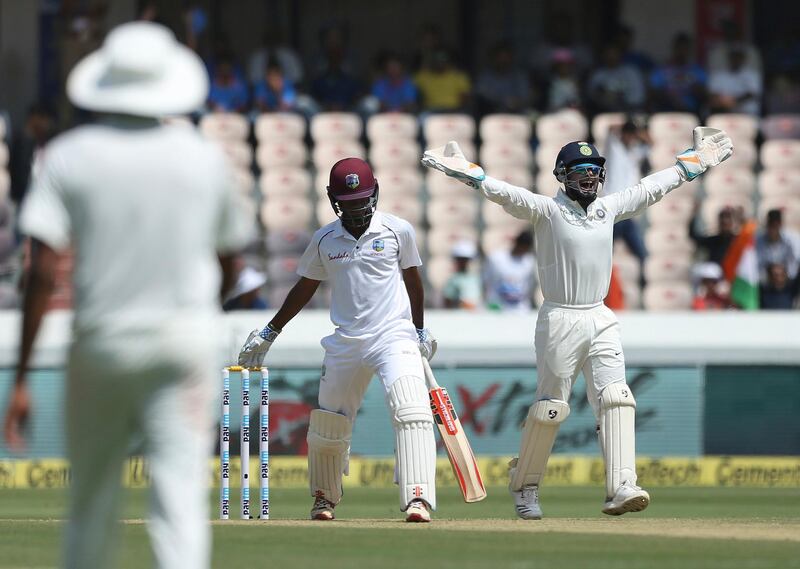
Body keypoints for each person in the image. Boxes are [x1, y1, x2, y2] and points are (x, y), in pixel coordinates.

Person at [2, 22, 252, 569]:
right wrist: (195, 310)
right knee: (179, 501)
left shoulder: (68, 155)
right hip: (183, 345)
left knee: (91, 502)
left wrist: (21, 377)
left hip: (102, 341)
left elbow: (41, 272)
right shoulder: (202, 158)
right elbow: (232, 263)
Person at [422, 127, 733, 519]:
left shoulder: (607, 208)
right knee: (551, 409)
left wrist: (694, 162)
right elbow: (504, 192)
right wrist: (467, 171)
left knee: (617, 398)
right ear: (562, 175)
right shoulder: (547, 210)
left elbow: (652, 188)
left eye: (594, 169)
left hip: (600, 315)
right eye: (580, 169)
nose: (588, 176)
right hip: (560, 318)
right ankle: (525, 485)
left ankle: (622, 485)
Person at [237, 157, 438, 523]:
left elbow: (413, 281)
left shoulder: (398, 230)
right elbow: (305, 287)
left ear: (375, 193)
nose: (357, 209)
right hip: (346, 341)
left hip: (393, 335)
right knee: (329, 423)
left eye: (362, 200)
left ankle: (418, 498)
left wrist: (420, 329)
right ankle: (324, 498)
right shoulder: (325, 239)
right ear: (333, 199)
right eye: (348, 203)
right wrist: (270, 331)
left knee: (412, 409)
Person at [483, 231, 537, 311]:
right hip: (497, 309)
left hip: (520, 311)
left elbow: (530, 287)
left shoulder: (530, 262)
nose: (522, 249)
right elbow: (485, 282)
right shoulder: (496, 258)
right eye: (521, 246)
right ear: (516, 242)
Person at [755, 209, 800, 282]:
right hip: (765, 284)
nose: (773, 229)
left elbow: (794, 265)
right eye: (771, 225)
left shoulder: (792, 240)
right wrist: (770, 272)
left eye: (775, 225)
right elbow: (757, 266)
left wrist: (783, 273)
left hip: (788, 283)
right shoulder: (758, 240)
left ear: (780, 225)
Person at [442, 240, 482, 309]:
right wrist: (462, 304)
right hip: (459, 317)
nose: (463, 262)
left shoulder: (475, 278)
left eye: (465, 260)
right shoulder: (453, 279)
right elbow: (447, 302)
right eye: (460, 259)